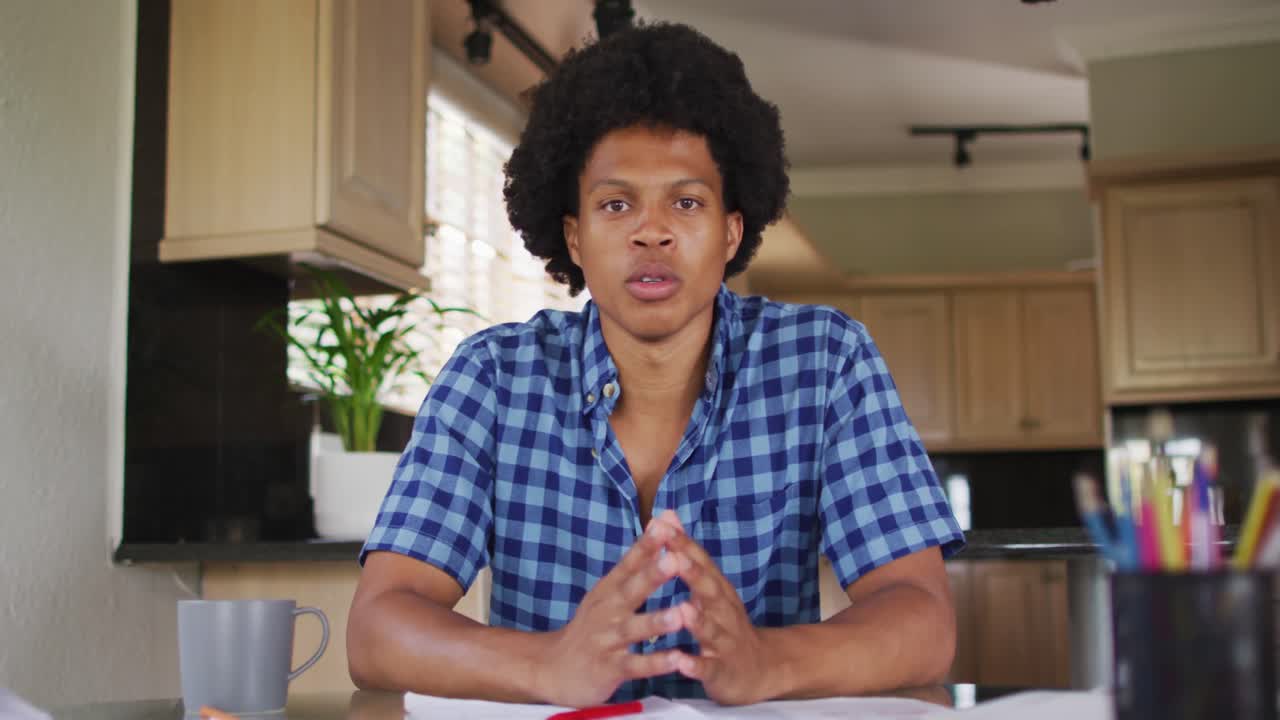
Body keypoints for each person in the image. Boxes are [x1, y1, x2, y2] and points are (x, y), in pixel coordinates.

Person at [347, 22, 965, 708]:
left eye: (687, 201)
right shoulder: (491, 379)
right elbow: (378, 629)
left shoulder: (826, 364)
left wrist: (768, 662)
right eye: (617, 204)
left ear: (732, 231)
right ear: (574, 236)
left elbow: (923, 620)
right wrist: (548, 664)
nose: (652, 230)